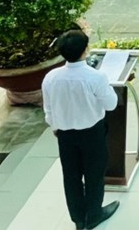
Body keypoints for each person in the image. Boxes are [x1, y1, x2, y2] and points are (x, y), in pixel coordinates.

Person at [41, 29, 119, 230]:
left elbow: (48, 109)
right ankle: (94, 215)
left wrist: (55, 127)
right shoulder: (95, 77)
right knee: (94, 174)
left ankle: (78, 218)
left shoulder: (50, 77)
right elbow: (111, 104)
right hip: (92, 134)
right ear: (85, 50)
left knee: (71, 176)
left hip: (65, 135)